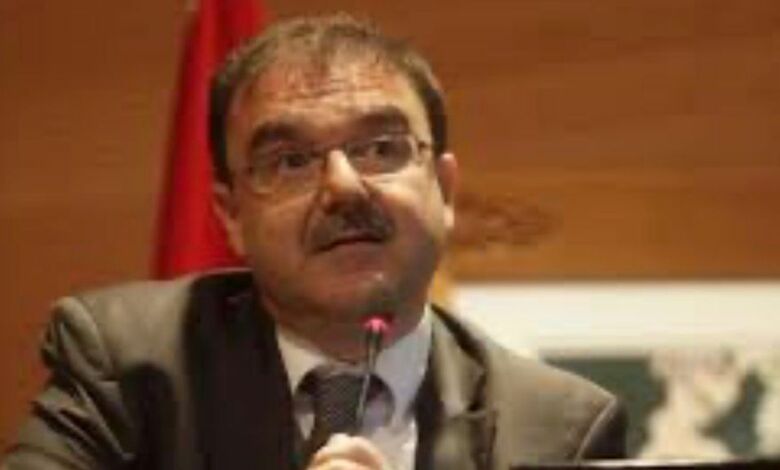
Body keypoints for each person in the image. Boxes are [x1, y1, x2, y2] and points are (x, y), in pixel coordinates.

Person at [2, 13, 626, 470]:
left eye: (380, 148)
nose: (344, 187)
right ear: (231, 216)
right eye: (291, 161)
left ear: (443, 187)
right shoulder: (131, 366)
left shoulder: (556, 428)